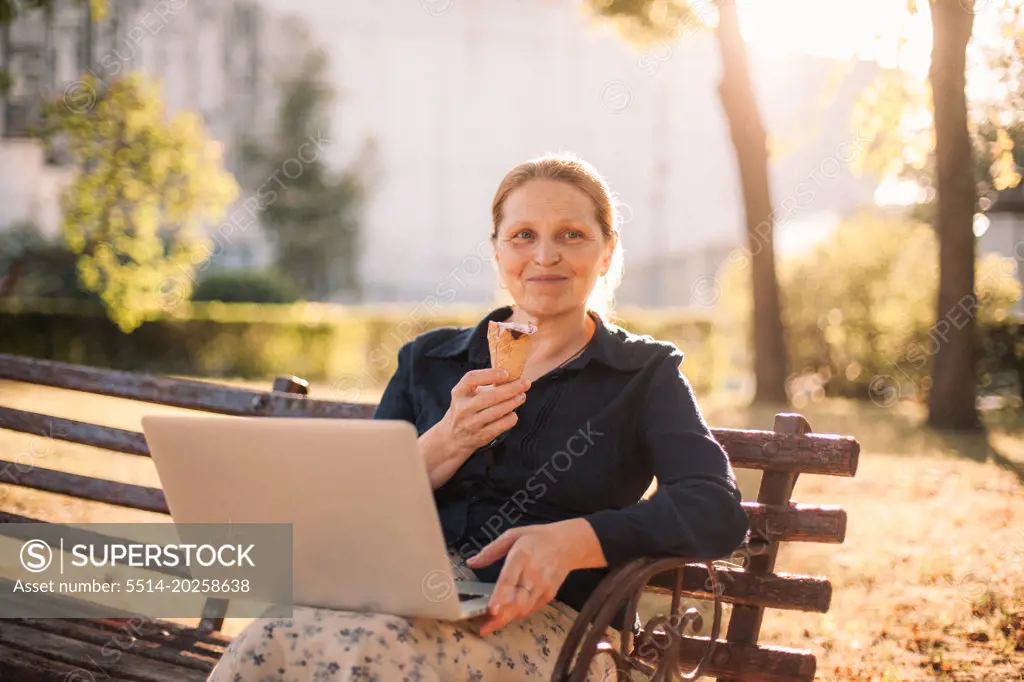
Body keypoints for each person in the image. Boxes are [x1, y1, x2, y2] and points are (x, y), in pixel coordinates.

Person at [208, 153, 750, 682]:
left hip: (555, 630)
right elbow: (352, 509)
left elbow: (715, 508)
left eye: (571, 235)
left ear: (607, 252)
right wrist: (446, 441)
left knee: (370, 655)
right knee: (268, 640)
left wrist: (574, 540)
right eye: (523, 236)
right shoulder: (428, 360)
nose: (545, 256)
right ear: (496, 251)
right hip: (399, 599)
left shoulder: (642, 374)